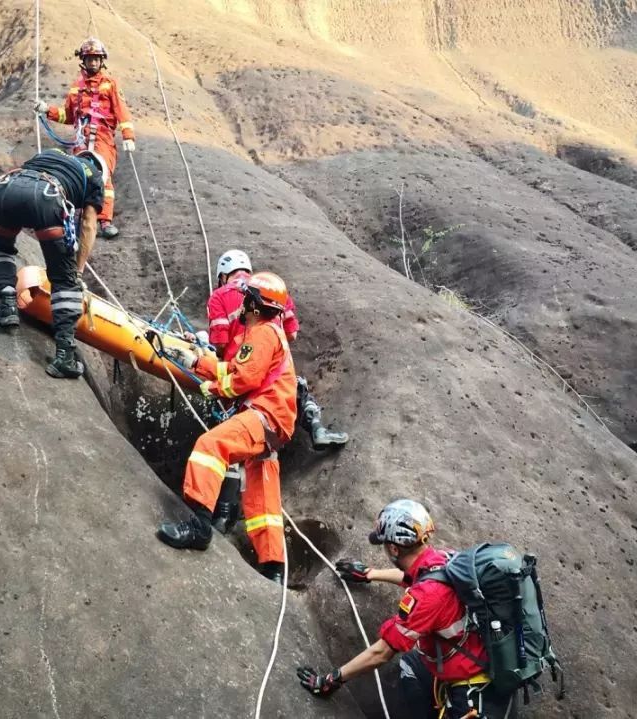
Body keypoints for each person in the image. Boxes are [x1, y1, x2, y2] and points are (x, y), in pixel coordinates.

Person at [296, 500, 516, 719]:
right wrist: (370, 573)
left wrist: (331, 680)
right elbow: (414, 576)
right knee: (410, 663)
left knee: (405, 659)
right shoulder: (447, 559)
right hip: (483, 661)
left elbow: (381, 653)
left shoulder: (426, 596)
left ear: (393, 548)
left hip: (475, 696)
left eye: (384, 545)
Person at [157, 272, 297, 584]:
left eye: (248, 300)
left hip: (265, 414)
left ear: (256, 305)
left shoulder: (262, 333)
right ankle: (274, 568)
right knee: (263, 498)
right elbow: (234, 368)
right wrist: (195, 362)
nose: (243, 305)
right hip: (276, 422)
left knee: (210, 446)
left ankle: (199, 526)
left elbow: (243, 379)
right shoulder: (271, 334)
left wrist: (214, 389)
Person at [0, 147, 107, 378]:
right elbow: (89, 224)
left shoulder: (50, 154)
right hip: (46, 199)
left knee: (0, 247)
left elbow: (29, 171)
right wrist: (77, 271)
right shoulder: (95, 176)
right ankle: (64, 356)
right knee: (64, 279)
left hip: (7, 190)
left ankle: (8, 306)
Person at [208, 250, 348, 451]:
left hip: (239, 374)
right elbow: (292, 334)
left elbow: (219, 343)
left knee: (233, 431)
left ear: (222, 275)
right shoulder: (275, 291)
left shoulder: (219, 296)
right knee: (298, 388)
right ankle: (317, 428)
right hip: (275, 374)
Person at [33, 37, 135, 239]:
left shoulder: (110, 84)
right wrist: (47, 110)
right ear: (83, 60)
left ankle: (105, 221)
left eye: (96, 59)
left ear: (102, 60)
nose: (93, 63)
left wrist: (128, 136)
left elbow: (121, 110)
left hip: (102, 138)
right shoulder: (75, 89)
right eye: (90, 59)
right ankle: (75, 219)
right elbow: (68, 115)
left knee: (102, 176)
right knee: (79, 176)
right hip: (81, 139)